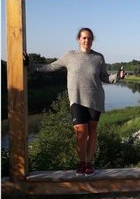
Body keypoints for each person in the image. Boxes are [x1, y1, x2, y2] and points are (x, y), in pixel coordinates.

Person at [27, 28, 125, 176]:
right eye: (84, 38)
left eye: (90, 38)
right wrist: (30, 65)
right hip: (77, 100)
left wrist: (117, 76)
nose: (87, 41)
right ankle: (81, 162)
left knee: (92, 133)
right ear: (78, 39)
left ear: (92, 40)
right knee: (80, 133)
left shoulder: (98, 57)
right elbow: (50, 67)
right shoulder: (69, 56)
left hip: (95, 100)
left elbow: (104, 77)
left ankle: (89, 164)